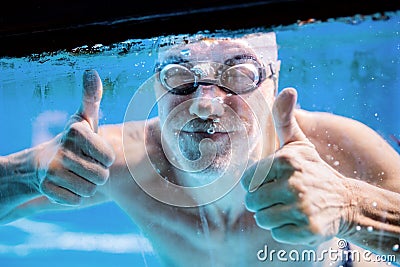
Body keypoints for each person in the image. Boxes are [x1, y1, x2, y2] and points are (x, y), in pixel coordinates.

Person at [0, 32, 399, 267]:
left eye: (239, 75)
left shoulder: (337, 148)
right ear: (156, 85)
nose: (205, 103)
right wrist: (24, 174)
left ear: (273, 82)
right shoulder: (120, 160)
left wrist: (351, 207)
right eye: (178, 74)